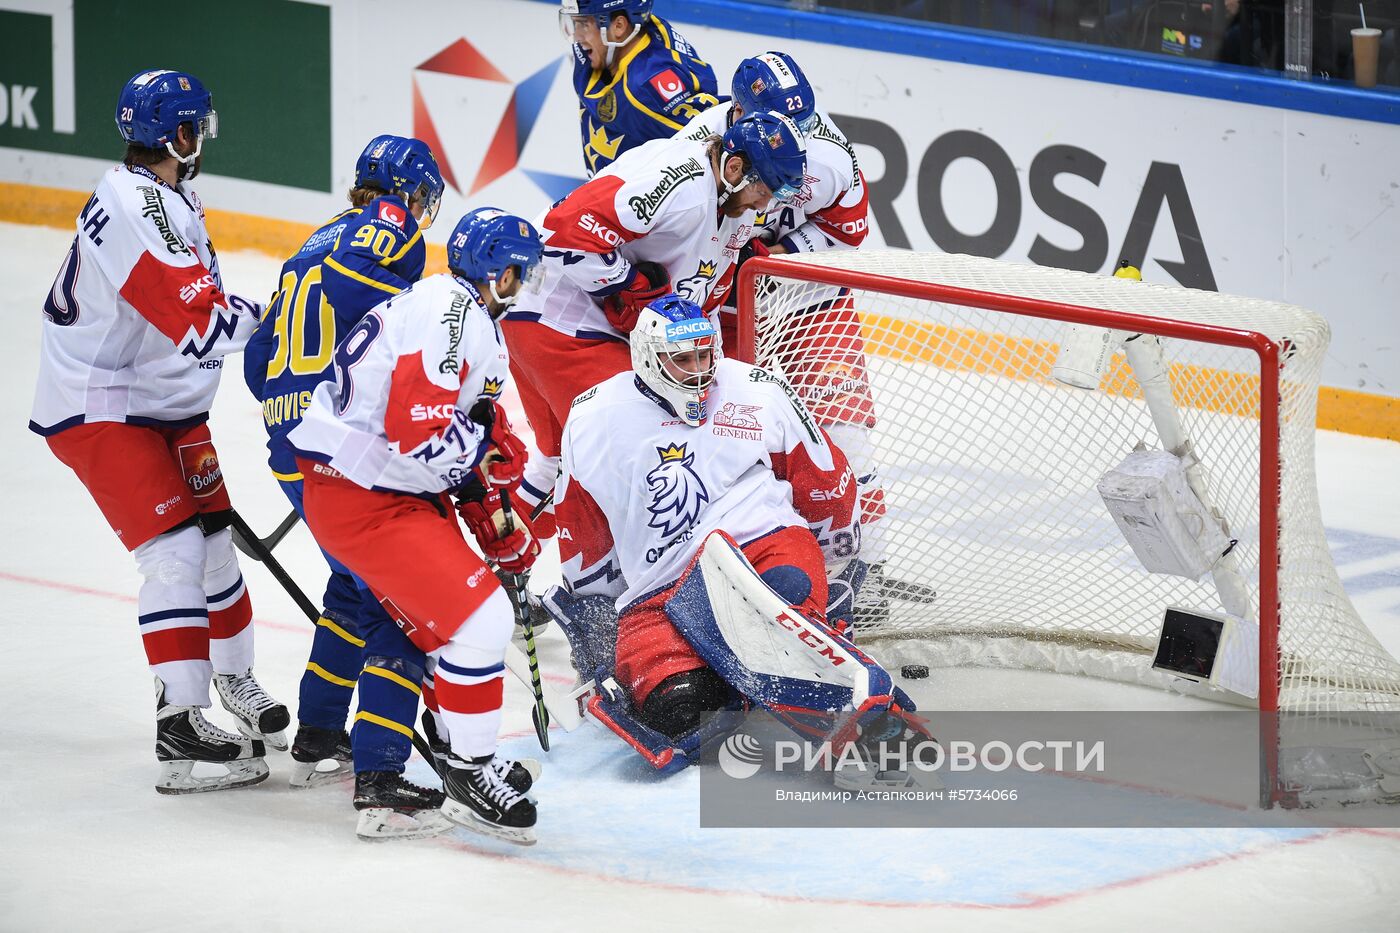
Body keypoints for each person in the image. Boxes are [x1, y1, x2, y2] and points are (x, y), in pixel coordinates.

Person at [29, 69, 286, 793]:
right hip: (102, 405)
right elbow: (198, 320)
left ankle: (231, 681)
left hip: (158, 400)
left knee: (214, 545)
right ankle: (180, 728)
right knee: (173, 550)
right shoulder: (141, 207)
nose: (201, 139)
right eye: (196, 127)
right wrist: (274, 316)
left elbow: (189, 315)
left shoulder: (161, 194)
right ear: (178, 134)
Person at [548, 296, 923, 778]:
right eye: (682, 359)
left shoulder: (757, 389)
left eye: (705, 355)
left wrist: (835, 560)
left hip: (763, 547)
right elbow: (583, 527)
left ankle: (866, 716)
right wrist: (594, 612)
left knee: (777, 615)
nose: (699, 371)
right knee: (682, 712)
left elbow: (822, 476)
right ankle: (745, 676)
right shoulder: (591, 418)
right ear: (646, 357)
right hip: (661, 588)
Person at [288, 208, 546, 844]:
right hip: (366, 494)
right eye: (517, 274)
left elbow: (472, 423)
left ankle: (457, 753)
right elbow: (419, 433)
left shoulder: (455, 309)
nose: (522, 287)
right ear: (493, 271)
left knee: (437, 627)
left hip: (376, 490)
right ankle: (467, 771)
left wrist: (491, 492)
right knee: (480, 620)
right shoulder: (451, 313)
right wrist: (480, 471)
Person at [242, 135, 445, 796]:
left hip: (289, 438)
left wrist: (293, 411)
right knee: (397, 600)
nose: (419, 214)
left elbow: (257, 358)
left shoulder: (315, 239)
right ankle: (380, 771)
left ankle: (321, 728)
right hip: (336, 450)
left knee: (353, 587)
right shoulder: (385, 238)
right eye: (419, 199)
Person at [501, 110, 807, 533]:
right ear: (735, 167)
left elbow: (701, 298)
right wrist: (625, 284)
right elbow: (563, 233)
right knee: (640, 447)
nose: (766, 203)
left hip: (564, 324)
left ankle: (505, 563)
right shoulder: (677, 180)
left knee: (557, 461)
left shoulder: (736, 210)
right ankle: (593, 586)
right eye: (765, 189)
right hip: (556, 317)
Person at [677, 52, 893, 624]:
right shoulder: (703, 145)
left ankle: (866, 571)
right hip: (732, 308)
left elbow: (848, 243)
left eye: (799, 122)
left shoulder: (832, 159)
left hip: (809, 303)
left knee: (846, 441)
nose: (792, 140)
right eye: (776, 123)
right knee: (727, 440)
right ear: (739, 112)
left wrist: (774, 259)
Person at [559, 0, 720, 175]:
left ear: (619, 25)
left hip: (630, 196)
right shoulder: (621, 38)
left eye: (583, 24)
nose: (576, 36)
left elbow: (711, 143)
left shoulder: (645, 91)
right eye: (575, 23)